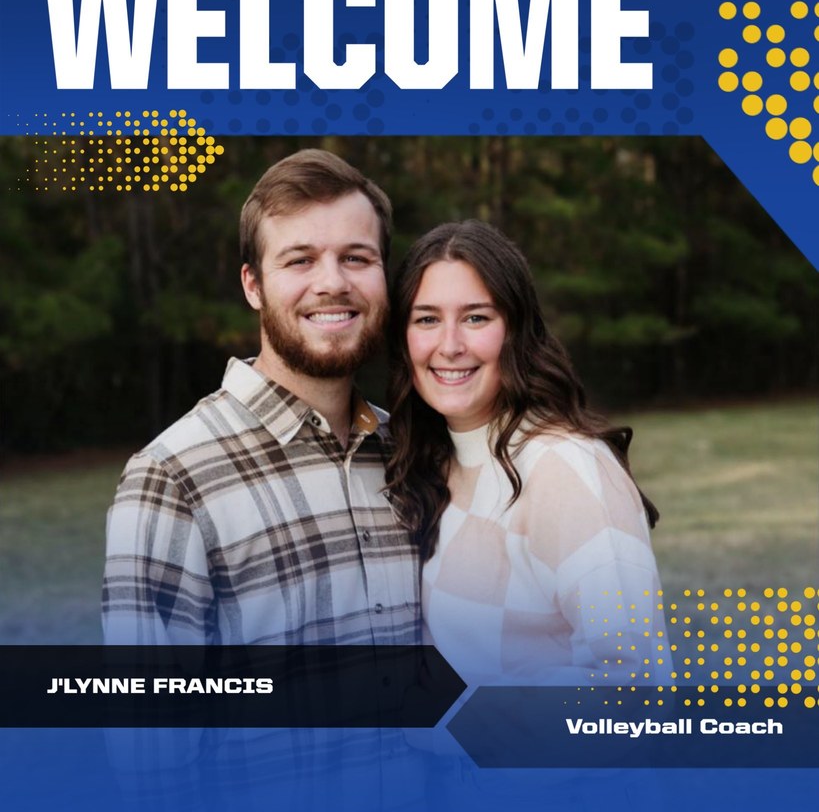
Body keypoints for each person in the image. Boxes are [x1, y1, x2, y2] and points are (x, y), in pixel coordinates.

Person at [103, 149, 419, 646]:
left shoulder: (409, 451)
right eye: (301, 260)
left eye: (356, 258)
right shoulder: (171, 478)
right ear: (253, 285)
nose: (333, 283)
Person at [386, 220, 668, 685]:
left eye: (476, 317)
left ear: (516, 332)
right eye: (427, 319)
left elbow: (637, 685)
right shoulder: (436, 462)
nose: (450, 345)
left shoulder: (566, 466)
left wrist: (464, 725)